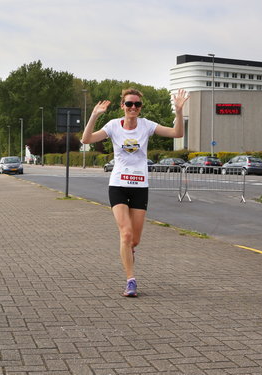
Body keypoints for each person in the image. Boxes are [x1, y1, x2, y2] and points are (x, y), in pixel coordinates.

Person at [81, 88, 189, 297]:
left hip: (140, 186)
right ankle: (131, 281)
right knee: (126, 233)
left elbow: (177, 133)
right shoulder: (113, 126)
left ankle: (129, 252)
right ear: (123, 106)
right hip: (118, 185)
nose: (133, 108)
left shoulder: (146, 126)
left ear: (140, 108)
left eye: (137, 105)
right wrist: (94, 115)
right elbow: (86, 140)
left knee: (134, 241)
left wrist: (178, 111)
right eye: (129, 104)